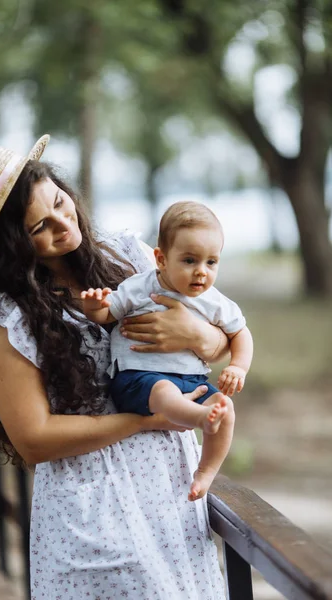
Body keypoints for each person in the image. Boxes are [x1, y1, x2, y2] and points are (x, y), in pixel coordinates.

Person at [0, 135, 232, 599]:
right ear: (13, 246)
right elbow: (33, 438)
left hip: (170, 490)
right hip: (92, 506)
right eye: (38, 227)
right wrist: (144, 420)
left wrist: (198, 337)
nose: (63, 224)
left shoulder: (128, 255)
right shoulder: (11, 320)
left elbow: (219, 328)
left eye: (61, 203)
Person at [81, 201, 253, 502]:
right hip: (139, 378)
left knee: (226, 409)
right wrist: (96, 307)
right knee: (164, 392)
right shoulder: (140, 287)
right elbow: (108, 313)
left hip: (192, 378)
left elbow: (240, 333)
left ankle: (206, 471)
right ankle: (199, 418)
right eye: (189, 260)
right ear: (160, 259)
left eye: (211, 262)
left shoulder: (214, 301)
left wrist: (238, 366)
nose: (201, 272)